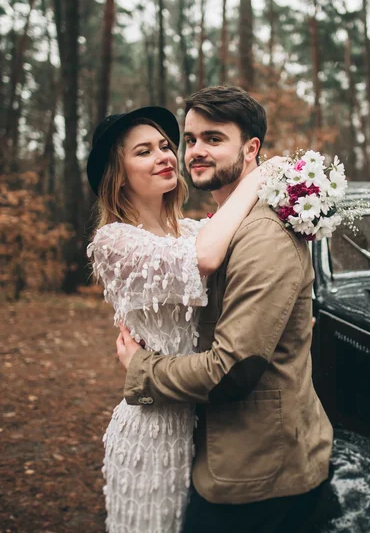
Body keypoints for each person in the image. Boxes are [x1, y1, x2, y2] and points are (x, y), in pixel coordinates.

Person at [117, 86, 334, 533]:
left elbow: (231, 370)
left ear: (251, 148)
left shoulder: (262, 234)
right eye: (190, 139)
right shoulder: (217, 228)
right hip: (217, 453)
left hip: (258, 478)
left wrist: (142, 367)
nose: (194, 151)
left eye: (213, 139)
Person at [86, 104, 277, 533]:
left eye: (165, 146)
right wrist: (260, 176)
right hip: (153, 427)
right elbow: (206, 260)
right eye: (143, 151)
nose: (165, 156)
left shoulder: (190, 230)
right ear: (119, 173)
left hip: (209, 423)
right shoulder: (114, 241)